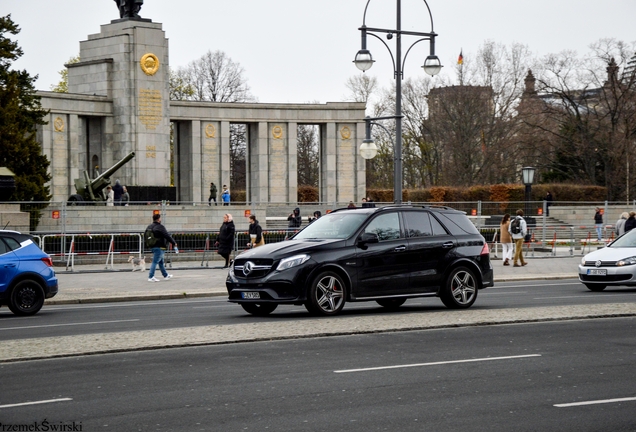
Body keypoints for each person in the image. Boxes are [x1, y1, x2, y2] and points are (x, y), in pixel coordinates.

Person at [146, 213, 176, 282]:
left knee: (161, 262)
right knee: (155, 261)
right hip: (159, 247)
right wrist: (174, 243)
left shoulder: (149, 226)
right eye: (160, 218)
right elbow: (167, 235)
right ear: (158, 219)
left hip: (152, 246)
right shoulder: (160, 227)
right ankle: (151, 276)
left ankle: (165, 275)